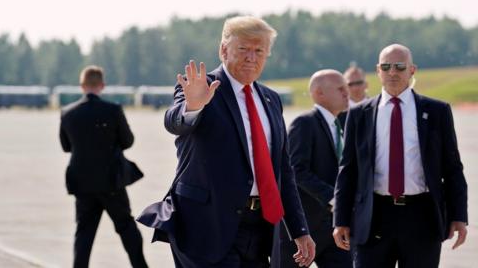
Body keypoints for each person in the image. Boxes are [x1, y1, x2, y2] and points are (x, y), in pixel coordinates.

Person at [138, 15, 315, 267]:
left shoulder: (270, 100)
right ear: (223, 49)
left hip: (258, 228)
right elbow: (174, 121)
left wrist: (299, 229)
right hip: (206, 227)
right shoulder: (202, 87)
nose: (251, 58)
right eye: (243, 49)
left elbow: (282, 171)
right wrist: (193, 105)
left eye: (259, 51)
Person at [332, 44, 468, 268]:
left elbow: (452, 167)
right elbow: (348, 170)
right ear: (378, 71)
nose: (392, 72)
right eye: (386, 67)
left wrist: (459, 216)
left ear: (412, 70)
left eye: (399, 66)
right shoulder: (359, 115)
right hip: (374, 217)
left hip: (421, 216)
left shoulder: (437, 112)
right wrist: (341, 220)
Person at [59, 66, 148, 268]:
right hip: (111, 181)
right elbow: (127, 141)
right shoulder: (113, 110)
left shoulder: (68, 113)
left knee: (84, 232)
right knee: (126, 227)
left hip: (82, 182)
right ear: (102, 86)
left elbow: (66, 146)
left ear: (82, 86)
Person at [280, 70, 352, 268]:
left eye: (347, 89)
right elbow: (296, 170)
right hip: (302, 229)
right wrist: (334, 198)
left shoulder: (343, 124)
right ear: (319, 93)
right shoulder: (304, 124)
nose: (347, 94)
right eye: (340, 89)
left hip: (335, 229)